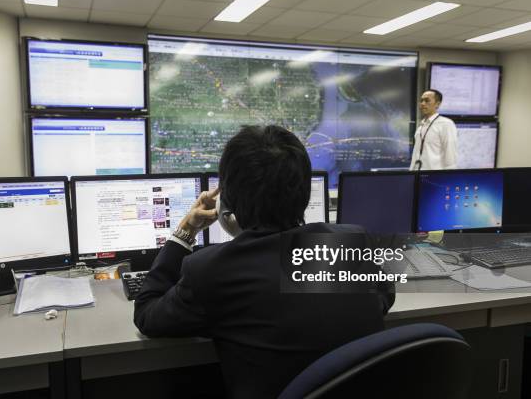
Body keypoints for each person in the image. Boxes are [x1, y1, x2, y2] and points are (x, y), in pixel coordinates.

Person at [134, 125, 394, 398]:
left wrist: (186, 229)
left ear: (228, 203)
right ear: (304, 194)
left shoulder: (213, 270)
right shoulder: (350, 241)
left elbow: (147, 316)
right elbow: (385, 296)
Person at [409, 89, 457, 170]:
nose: (423, 103)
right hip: (417, 175)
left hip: (434, 177)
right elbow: (416, 154)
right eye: (421, 100)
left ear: (437, 104)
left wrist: (449, 177)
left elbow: (450, 157)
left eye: (427, 100)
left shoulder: (446, 124)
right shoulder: (421, 126)